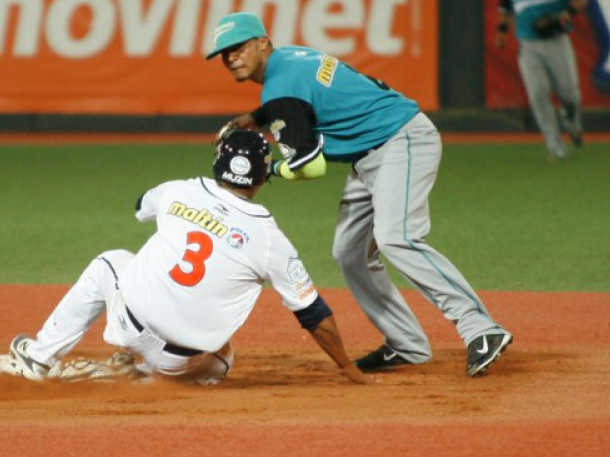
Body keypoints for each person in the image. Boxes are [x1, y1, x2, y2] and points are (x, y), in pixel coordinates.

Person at [205, 12, 513, 377]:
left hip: (401, 139)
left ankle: (481, 328)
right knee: (350, 252)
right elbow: (310, 92)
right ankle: (406, 344)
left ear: (262, 43)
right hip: (372, 153)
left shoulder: (279, 91)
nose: (231, 58)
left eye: (238, 48)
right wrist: (257, 117)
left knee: (398, 238)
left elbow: (310, 167)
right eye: (224, 54)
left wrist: (265, 169)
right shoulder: (292, 57)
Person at [2, 129, 372, 385]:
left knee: (110, 260)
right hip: (181, 363)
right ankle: (144, 380)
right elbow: (313, 313)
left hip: (129, 326)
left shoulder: (178, 190)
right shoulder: (270, 238)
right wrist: (348, 369)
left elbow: (139, 208)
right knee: (225, 357)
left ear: (218, 164)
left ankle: (39, 356)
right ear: (262, 178)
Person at [495, 0, 587, 161]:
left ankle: (571, 120)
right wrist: (502, 32)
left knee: (569, 94)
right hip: (528, 45)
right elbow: (505, 10)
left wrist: (567, 13)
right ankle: (555, 146)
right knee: (538, 93)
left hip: (556, 41)